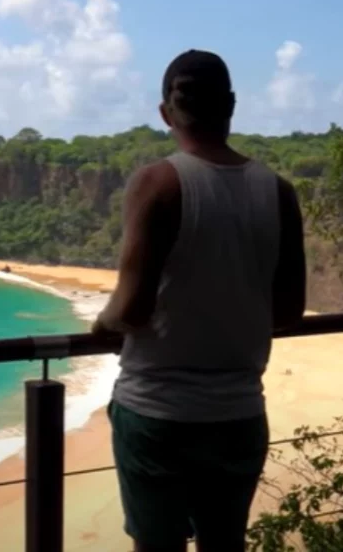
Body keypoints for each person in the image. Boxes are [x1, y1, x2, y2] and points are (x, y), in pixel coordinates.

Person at [92, 49, 307, 552]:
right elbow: (289, 314)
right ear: (231, 105)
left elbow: (130, 310)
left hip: (158, 413)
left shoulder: (158, 182)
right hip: (238, 412)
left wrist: (100, 326)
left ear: (166, 113)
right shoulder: (279, 192)